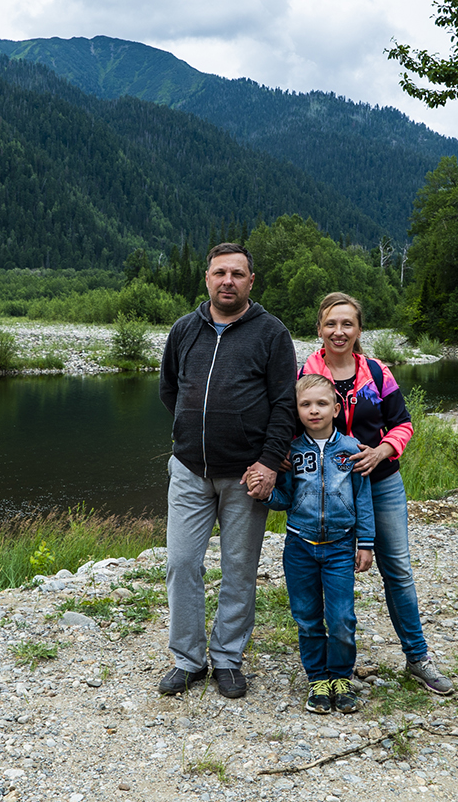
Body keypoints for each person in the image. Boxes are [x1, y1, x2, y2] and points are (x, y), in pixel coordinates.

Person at [157, 243, 297, 699]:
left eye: (237, 274)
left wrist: (269, 461)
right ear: (207, 278)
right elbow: (170, 390)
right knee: (181, 563)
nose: (228, 281)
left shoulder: (272, 333)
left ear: (251, 281)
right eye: (220, 273)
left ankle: (228, 658)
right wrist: (191, 430)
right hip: (189, 470)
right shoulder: (184, 330)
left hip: (246, 474)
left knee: (239, 569)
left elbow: (285, 404)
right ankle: (188, 659)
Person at [298, 291, 454, 695]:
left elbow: (403, 423)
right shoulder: (306, 372)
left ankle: (417, 657)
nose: (339, 331)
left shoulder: (377, 371)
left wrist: (382, 450)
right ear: (320, 329)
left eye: (347, 324)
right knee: (321, 572)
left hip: (381, 482)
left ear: (359, 329)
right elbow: (292, 423)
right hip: (327, 490)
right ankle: (328, 666)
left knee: (397, 569)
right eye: (331, 324)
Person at [260, 374, 373, 714]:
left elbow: (363, 498)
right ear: (296, 411)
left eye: (322, 404)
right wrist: (264, 494)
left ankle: (341, 677)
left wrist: (365, 543)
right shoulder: (291, 453)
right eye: (305, 404)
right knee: (307, 618)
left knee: (341, 619)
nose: (314, 410)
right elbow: (284, 499)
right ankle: (318, 679)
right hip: (300, 546)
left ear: (336, 409)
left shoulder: (352, 450)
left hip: (340, 546)